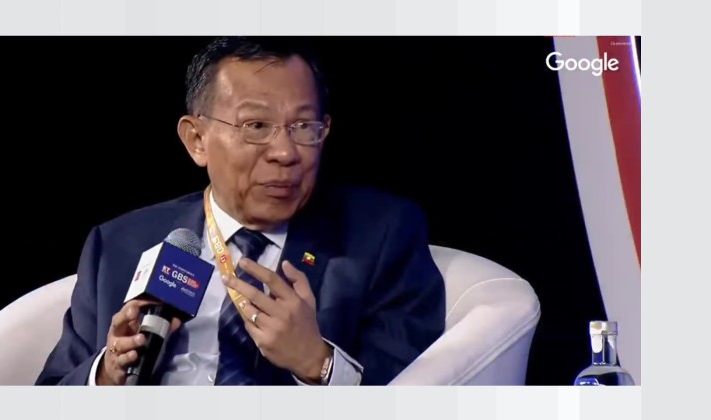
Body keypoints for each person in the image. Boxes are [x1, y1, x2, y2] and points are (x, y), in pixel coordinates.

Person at [35, 36, 446, 386]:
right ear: (197, 140)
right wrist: (107, 375)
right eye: (256, 127)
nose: (285, 153)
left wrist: (318, 362)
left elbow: (422, 386)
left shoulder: (380, 235)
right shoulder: (119, 244)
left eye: (304, 128)